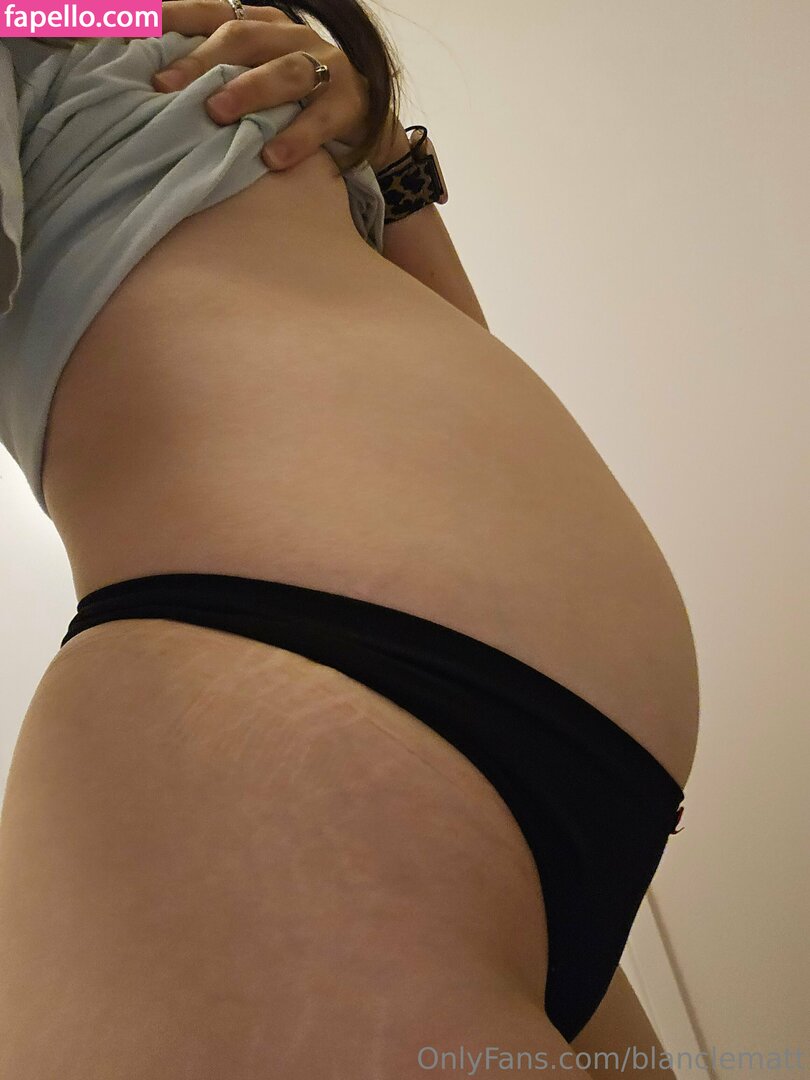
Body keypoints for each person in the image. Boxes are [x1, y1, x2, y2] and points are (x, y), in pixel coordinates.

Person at [0, 2, 699, 1076]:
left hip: (516, 782)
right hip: (279, 726)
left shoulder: (235, 33)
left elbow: (458, 350)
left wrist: (381, 154)